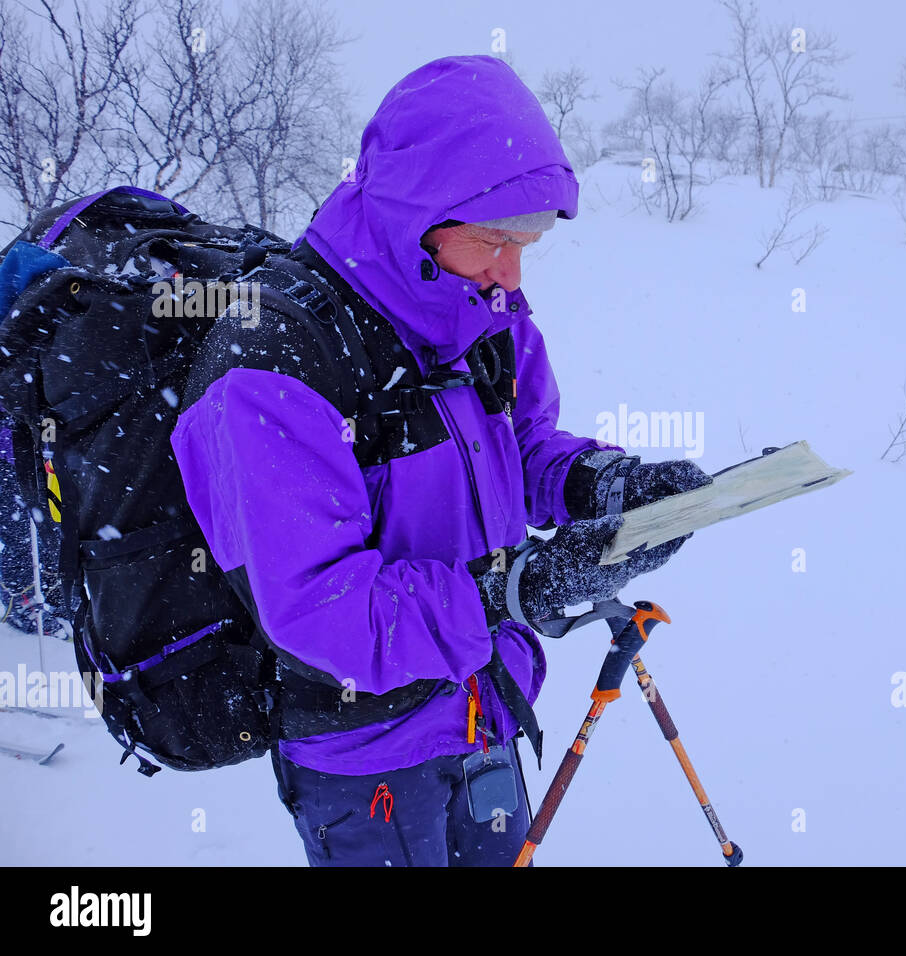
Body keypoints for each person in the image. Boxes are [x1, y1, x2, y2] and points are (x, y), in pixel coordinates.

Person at [169, 54, 710, 866]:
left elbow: (519, 448)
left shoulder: (481, 311)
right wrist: (509, 594)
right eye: (496, 241)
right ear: (414, 215)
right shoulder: (275, 361)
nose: (513, 275)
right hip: (369, 762)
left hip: (485, 707)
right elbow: (319, 605)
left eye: (529, 245)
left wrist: (607, 486)